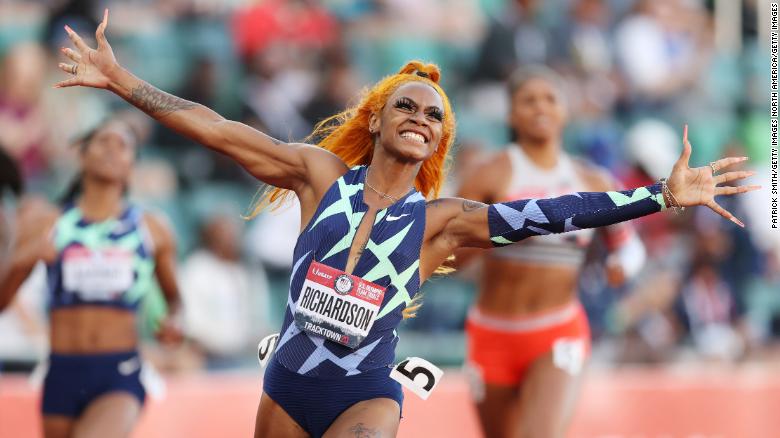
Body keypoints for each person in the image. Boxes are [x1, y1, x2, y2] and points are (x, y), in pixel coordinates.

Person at [55, 10, 758, 437]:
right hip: (287, 382)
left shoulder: (442, 222)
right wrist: (121, 82)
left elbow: (548, 215)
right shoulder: (317, 174)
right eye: (408, 107)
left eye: (434, 115)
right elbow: (216, 130)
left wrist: (658, 198)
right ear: (379, 119)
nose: (420, 118)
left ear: (439, 140)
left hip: (366, 391)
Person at [456, 66, 658, 438]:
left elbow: (630, 248)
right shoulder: (489, 175)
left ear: (565, 111)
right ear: (511, 114)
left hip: (557, 332)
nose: (540, 108)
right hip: (491, 334)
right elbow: (448, 250)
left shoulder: (592, 181)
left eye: (550, 99)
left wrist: (620, 266)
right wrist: (480, 242)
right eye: (528, 100)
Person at [0, 118, 183, 438]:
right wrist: (23, 260)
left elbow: (175, 301)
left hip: (118, 374)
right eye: (103, 142)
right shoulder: (48, 222)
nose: (113, 149)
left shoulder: (152, 229)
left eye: (123, 145)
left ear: (132, 166)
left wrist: (175, 323)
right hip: (61, 374)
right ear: (82, 156)